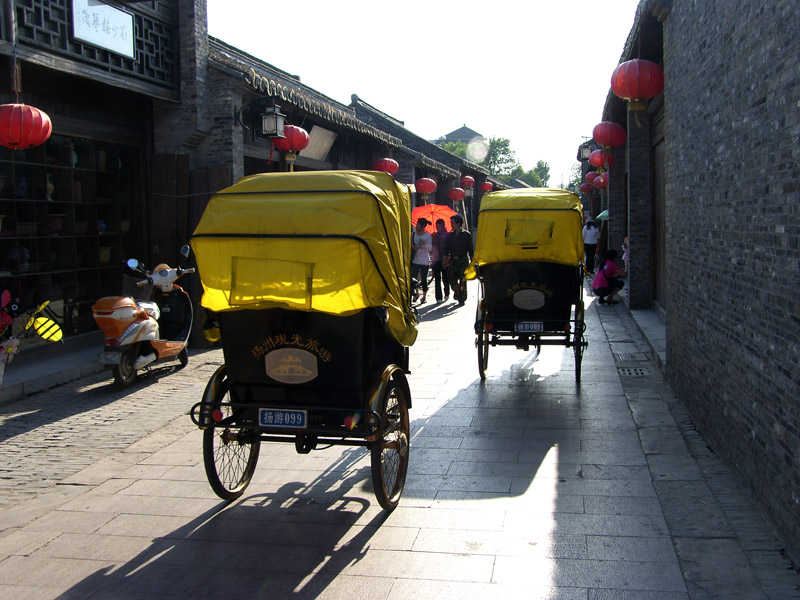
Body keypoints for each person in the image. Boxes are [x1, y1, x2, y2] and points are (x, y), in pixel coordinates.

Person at [443, 214, 473, 306]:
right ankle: (458, 291)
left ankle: (461, 299)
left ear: (458, 223)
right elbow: (446, 250)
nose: (451, 224)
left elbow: (471, 250)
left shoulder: (466, 235)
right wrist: (445, 260)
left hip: (463, 260)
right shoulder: (449, 236)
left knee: (463, 280)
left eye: (452, 223)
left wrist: (472, 261)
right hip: (453, 260)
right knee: (451, 280)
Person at [411, 218, 432, 304]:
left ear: (423, 226)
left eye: (418, 224)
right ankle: (417, 293)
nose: (416, 226)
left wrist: (424, 243)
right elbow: (409, 245)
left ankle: (424, 297)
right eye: (416, 224)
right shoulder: (413, 235)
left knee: (424, 279)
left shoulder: (427, 236)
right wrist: (412, 247)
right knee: (414, 278)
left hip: (424, 261)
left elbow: (430, 248)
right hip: (415, 260)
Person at [430, 218, 450, 303]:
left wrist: (447, 258)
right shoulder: (434, 236)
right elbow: (431, 248)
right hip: (436, 260)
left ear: (443, 226)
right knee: (437, 279)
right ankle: (438, 297)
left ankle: (447, 292)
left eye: (439, 226)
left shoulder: (447, 235)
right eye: (436, 226)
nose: (437, 228)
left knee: (445, 278)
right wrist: (432, 239)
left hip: (444, 259)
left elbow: (448, 248)